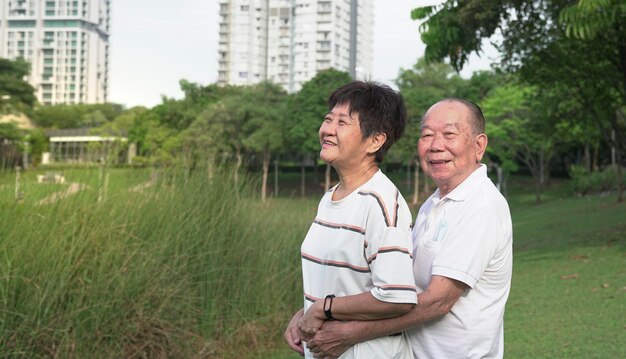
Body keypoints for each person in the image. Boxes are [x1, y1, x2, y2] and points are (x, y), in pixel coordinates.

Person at [296, 98, 514, 359]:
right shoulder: (434, 204)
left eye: (449, 135)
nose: (435, 146)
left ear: (479, 145)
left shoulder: (481, 206)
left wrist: (349, 331)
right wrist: (308, 311)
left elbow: (437, 302)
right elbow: (395, 279)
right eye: (427, 135)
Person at [284, 81, 418, 359]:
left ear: (374, 141)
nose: (327, 130)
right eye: (327, 119)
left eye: (342, 122)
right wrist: (305, 312)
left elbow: (397, 296)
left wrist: (322, 308)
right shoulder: (331, 197)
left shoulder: (380, 202)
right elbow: (339, 281)